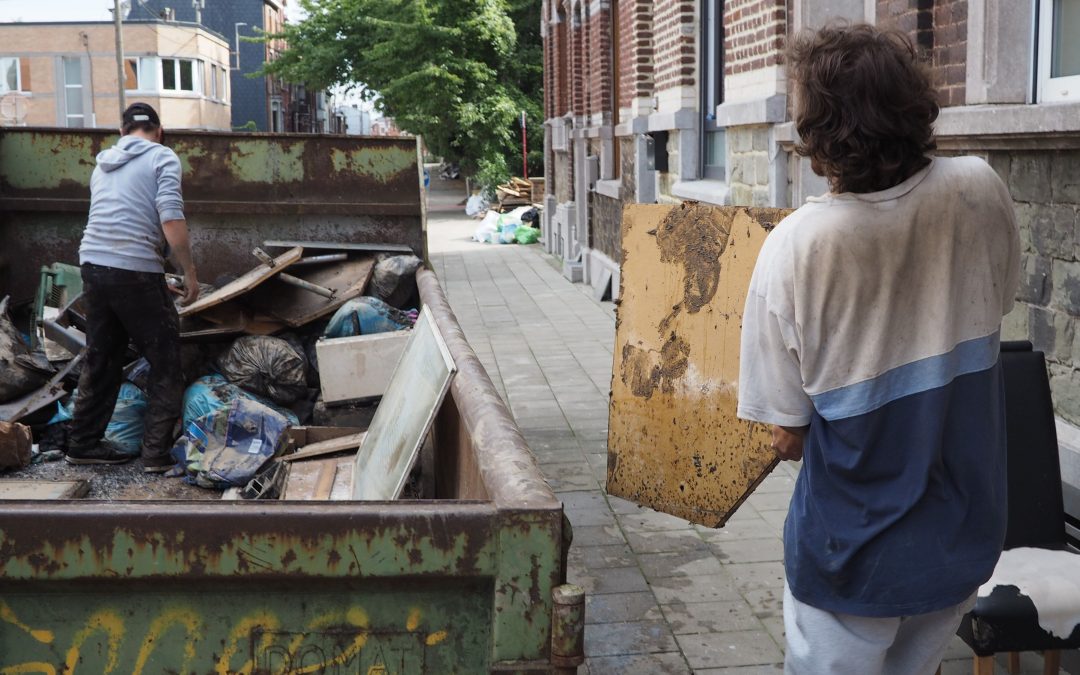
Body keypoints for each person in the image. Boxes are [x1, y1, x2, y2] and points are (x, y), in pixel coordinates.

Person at [737, 24, 1019, 675]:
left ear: (818, 127)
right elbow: (993, 306)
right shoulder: (980, 188)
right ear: (911, 104)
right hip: (963, 533)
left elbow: (785, 434)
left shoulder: (795, 246)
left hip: (851, 552)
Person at [65, 102, 199, 473]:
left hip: (93, 266)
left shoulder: (102, 164)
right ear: (159, 131)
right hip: (133, 271)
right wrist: (188, 273)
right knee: (166, 360)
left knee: (102, 357)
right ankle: (155, 456)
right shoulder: (163, 157)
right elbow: (170, 218)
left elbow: (122, 222)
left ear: (123, 132)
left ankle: (83, 444)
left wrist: (155, 276)